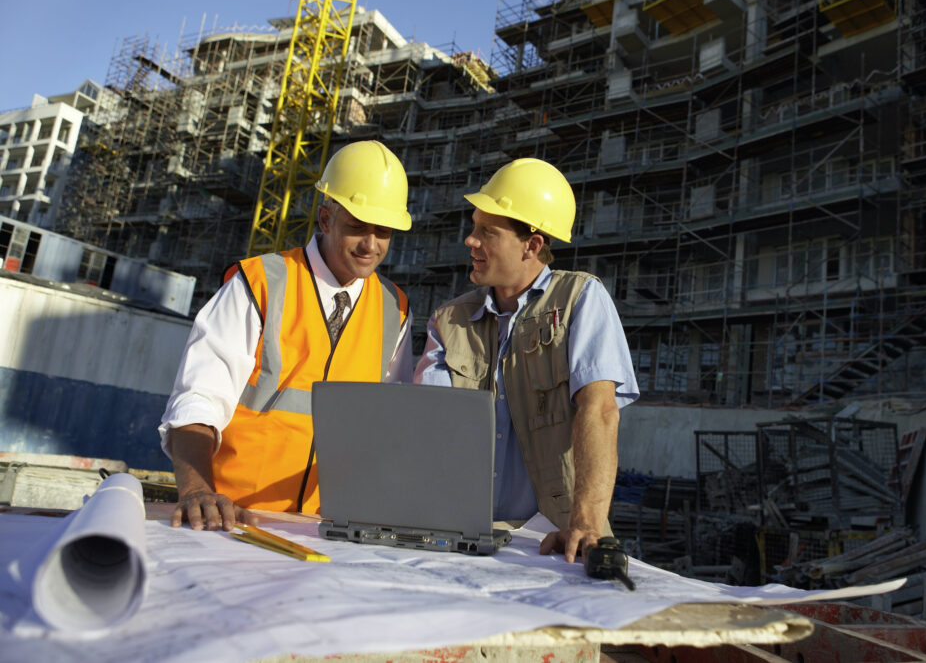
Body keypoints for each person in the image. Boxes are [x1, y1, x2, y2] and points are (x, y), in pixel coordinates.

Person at [159, 140, 414, 531]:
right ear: (326, 219)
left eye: (384, 231)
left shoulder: (394, 309)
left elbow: (388, 431)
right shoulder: (260, 284)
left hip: (328, 530)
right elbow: (197, 401)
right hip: (231, 522)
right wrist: (197, 491)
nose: (371, 244)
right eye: (357, 227)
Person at [414, 158, 639, 564]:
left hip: (557, 540)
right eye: (473, 226)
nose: (471, 241)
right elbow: (428, 424)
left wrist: (587, 522)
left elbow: (600, 410)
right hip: (466, 539)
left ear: (532, 245)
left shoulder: (580, 300)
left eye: (488, 232)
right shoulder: (448, 319)